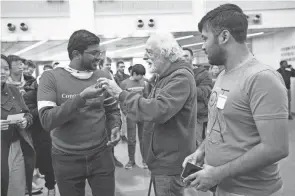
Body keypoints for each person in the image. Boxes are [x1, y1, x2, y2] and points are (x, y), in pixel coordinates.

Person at [182, 4, 289, 196]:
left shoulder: (262, 78)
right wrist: (201, 150)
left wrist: (217, 174)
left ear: (224, 37)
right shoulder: (224, 75)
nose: (202, 46)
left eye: (205, 38)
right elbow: (221, 126)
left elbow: (276, 148)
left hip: (253, 192)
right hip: (222, 187)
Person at [98, 32, 197, 196]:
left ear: (164, 53)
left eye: (149, 52)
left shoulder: (180, 77)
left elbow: (157, 110)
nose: (144, 56)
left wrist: (121, 94)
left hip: (170, 163)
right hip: (163, 159)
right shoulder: (165, 77)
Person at [37, 30, 122, 196]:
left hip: (101, 154)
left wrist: (115, 126)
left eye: (100, 52)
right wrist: (81, 98)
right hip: (66, 158)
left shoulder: (103, 75)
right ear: (76, 54)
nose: (99, 57)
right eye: (94, 53)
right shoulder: (50, 78)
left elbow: (112, 109)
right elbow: (47, 120)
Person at [1, 54, 35, 196]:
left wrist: (25, 121)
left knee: (17, 188)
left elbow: (28, 113)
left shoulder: (13, 90)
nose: (2, 72)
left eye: (6, 68)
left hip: (16, 146)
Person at [23, 73, 56, 196]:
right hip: (37, 133)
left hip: (52, 132)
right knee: (42, 161)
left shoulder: (52, 93)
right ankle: (45, 186)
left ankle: (51, 187)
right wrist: (43, 107)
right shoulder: (29, 95)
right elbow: (29, 115)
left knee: (50, 162)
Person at [120, 64, 149, 169]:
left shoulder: (144, 83)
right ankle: (131, 160)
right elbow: (120, 99)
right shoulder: (124, 83)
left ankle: (145, 160)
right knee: (131, 139)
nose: (141, 77)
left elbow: (146, 97)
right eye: (140, 75)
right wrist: (125, 112)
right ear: (134, 73)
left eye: (143, 75)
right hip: (131, 115)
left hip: (142, 115)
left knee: (143, 138)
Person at [183, 47, 213, 144]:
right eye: (181, 56)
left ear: (192, 57)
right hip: (183, 115)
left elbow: (205, 92)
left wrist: (185, 89)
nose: (183, 58)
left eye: (186, 56)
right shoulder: (178, 74)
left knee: (197, 143)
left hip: (198, 115)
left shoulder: (203, 74)